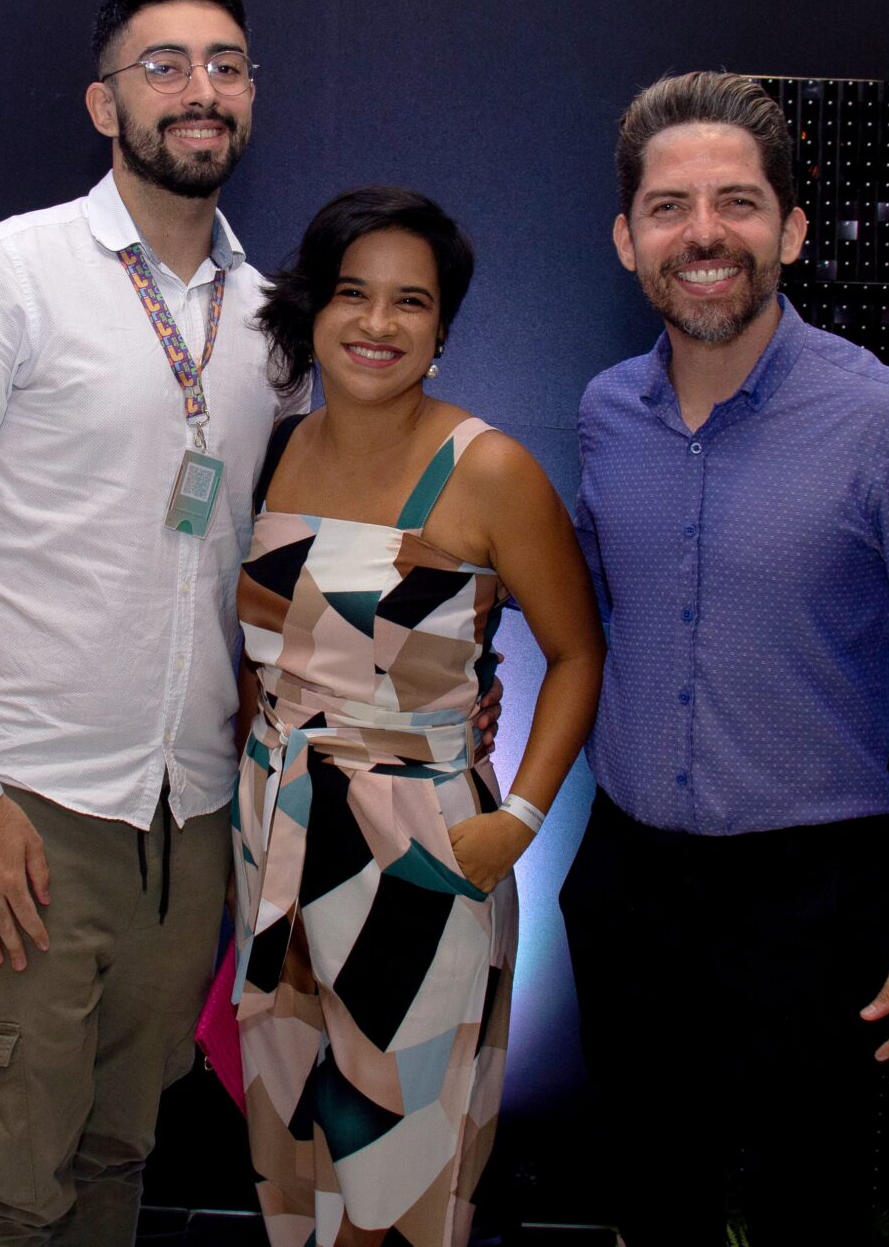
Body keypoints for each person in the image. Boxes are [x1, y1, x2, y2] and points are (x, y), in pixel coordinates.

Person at [561, 72, 889, 1246]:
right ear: (625, 241)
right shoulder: (604, 414)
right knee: (647, 1210)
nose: (704, 234)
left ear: (791, 230)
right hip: (627, 886)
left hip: (809, 904)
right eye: (669, 208)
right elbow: (591, 619)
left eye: (737, 202)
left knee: (806, 1218)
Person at [0, 0, 295, 1247]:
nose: (200, 89)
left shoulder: (273, 321)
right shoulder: (3, 276)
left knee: (119, 1155)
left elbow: (285, 556)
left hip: (190, 816)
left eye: (226, 65)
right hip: (27, 804)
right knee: (7, 1179)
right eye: (165, 66)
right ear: (104, 105)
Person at [233, 187, 604, 1247]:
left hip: (418, 863)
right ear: (313, 307)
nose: (377, 323)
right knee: (286, 1154)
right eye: (352, 293)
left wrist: (516, 822)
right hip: (273, 836)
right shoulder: (272, 449)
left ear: (443, 329)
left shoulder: (488, 469)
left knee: (398, 1171)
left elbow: (578, 653)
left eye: (411, 301)